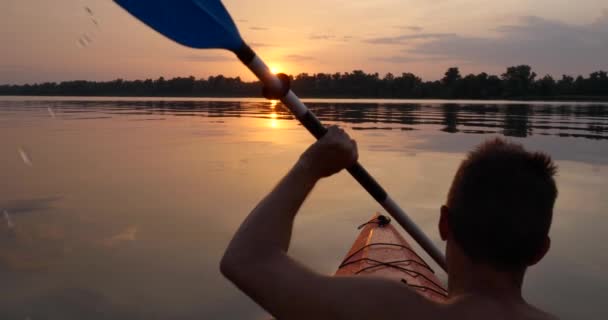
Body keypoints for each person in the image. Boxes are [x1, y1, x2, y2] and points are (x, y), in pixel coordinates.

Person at [221, 126, 558, 320]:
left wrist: (310, 165)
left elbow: (247, 260)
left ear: (444, 224)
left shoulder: (389, 310)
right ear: (540, 250)